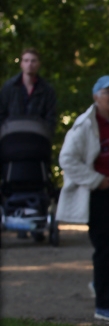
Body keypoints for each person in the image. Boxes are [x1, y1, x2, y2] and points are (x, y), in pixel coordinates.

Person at [56, 76, 109, 320]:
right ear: (96, 96)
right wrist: (96, 180)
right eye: (107, 92)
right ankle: (105, 306)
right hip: (100, 193)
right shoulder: (85, 125)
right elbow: (67, 159)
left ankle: (101, 282)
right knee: (107, 248)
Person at [0, 48, 57, 239]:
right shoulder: (9, 88)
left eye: (33, 61)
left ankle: (38, 217)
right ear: (21, 63)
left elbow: (51, 117)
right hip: (12, 145)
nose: (30, 64)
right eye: (26, 60)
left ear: (38, 64)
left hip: (37, 145)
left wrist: (46, 134)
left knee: (40, 181)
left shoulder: (46, 91)